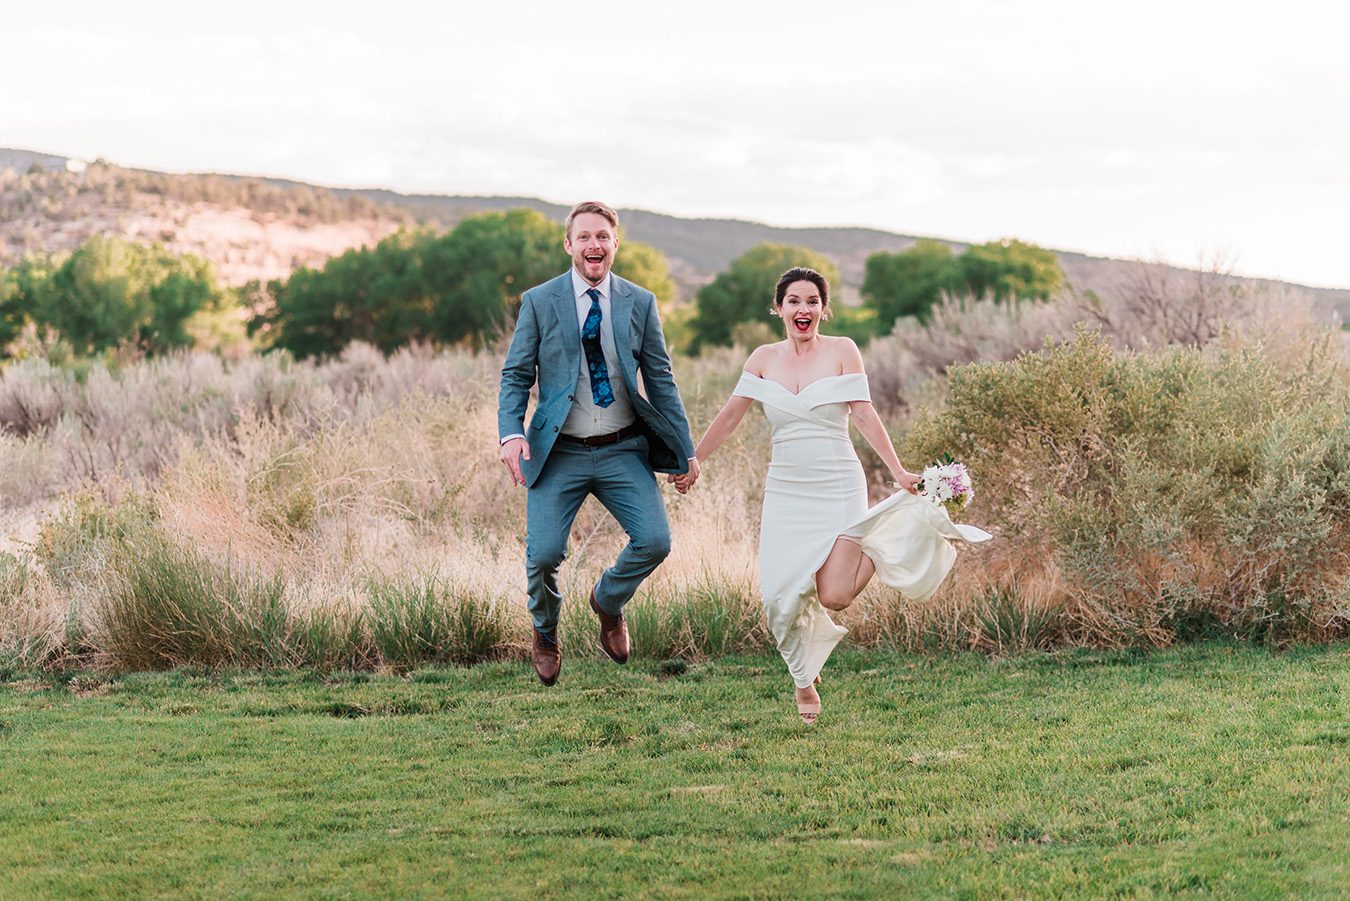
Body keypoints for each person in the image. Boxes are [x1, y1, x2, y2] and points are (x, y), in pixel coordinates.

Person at [679, 267, 990, 723]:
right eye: (794, 301)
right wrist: (695, 459)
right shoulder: (763, 359)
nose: (803, 310)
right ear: (778, 308)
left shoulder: (844, 351)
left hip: (838, 483)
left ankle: (877, 543)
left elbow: (863, 414)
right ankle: (804, 682)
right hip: (786, 490)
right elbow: (730, 416)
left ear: (824, 309)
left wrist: (898, 470)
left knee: (836, 595)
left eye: (812, 302)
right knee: (778, 599)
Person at [498, 201, 699, 685]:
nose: (594, 245)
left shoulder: (640, 302)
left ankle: (607, 602)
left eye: (602, 237)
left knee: (655, 541)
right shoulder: (539, 301)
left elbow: (661, 378)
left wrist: (684, 449)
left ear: (615, 243)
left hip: (623, 448)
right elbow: (516, 374)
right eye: (584, 237)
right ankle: (545, 631)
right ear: (569, 245)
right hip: (559, 451)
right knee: (544, 555)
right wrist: (511, 432)